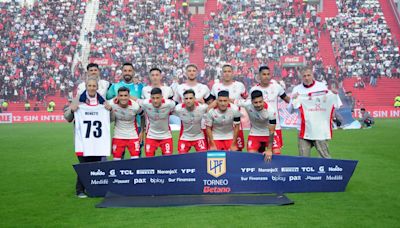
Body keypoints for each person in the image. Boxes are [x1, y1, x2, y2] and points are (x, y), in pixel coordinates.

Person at [64, 77, 112, 198]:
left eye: (93, 86)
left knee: (95, 166)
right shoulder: (78, 100)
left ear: (97, 87)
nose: (91, 88)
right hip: (82, 140)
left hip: (97, 140)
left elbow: (109, 119)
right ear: (86, 87)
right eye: (89, 86)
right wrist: (72, 110)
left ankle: (93, 189)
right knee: (84, 166)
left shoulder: (102, 101)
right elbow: (68, 117)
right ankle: (79, 190)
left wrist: (109, 110)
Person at [291, 66, 342, 158]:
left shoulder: (321, 87)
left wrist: (334, 94)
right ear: (301, 77)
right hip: (303, 129)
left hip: (320, 129)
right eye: (304, 76)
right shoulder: (296, 90)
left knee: (324, 157)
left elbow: (333, 104)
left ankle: (328, 172)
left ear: (312, 75)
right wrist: (293, 99)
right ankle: (305, 173)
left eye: (308, 75)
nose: (306, 78)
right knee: (303, 159)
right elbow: (290, 110)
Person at [250, 66, 290, 155]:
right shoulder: (253, 90)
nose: (266, 76)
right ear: (259, 76)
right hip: (258, 127)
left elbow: (287, 99)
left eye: (268, 74)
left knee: (275, 154)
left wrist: (298, 101)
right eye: (264, 74)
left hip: (275, 126)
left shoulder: (277, 87)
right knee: (257, 155)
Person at [210, 64, 247, 150]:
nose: (227, 74)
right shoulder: (216, 86)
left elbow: (247, 100)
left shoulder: (239, 85)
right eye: (225, 71)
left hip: (235, 124)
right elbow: (211, 103)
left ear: (233, 73)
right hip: (219, 124)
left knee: (237, 150)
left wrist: (234, 101)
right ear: (222, 73)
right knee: (218, 152)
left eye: (229, 71)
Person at [238, 90, 277, 161]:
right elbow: (231, 101)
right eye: (256, 102)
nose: (258, 104)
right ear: (251, 102)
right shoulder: (246, 104)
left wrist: (269, 149)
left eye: (260, 102)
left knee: (276, 154)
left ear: (263, 100)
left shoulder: (270, 110)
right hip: (255, 133)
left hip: (268, 133)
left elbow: (272, 131)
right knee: (251, 156)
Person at [138, 88, 176, 157]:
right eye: (153, 98)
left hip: (166, 136)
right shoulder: (145, 103)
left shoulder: (169, 104)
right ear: (150, 98)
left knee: (168, 161)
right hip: (151, 136)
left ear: (162, 97)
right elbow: (135, 101)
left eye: (158, 98)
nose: (155, 101)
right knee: (149, 161)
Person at [110, 87, 145, 160]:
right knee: (116, 161)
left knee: (135, 160)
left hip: (132, 135)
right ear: (118, 96)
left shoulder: (135, 106)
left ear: (129, 96)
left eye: (125, 95)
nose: (123, 98)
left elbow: (143, 115)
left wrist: (142, 131)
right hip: (118, 136)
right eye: (121, 96)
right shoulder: (112, 104)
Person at [173, 89, 208, 153]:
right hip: (185, 137)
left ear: (195, 99)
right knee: (181, 158)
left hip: (199, 136)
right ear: (183, 100)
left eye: (190, 98)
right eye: (186, 99)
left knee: (203, 157)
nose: (188, 101)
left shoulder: (202, 108)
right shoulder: (178, 109)